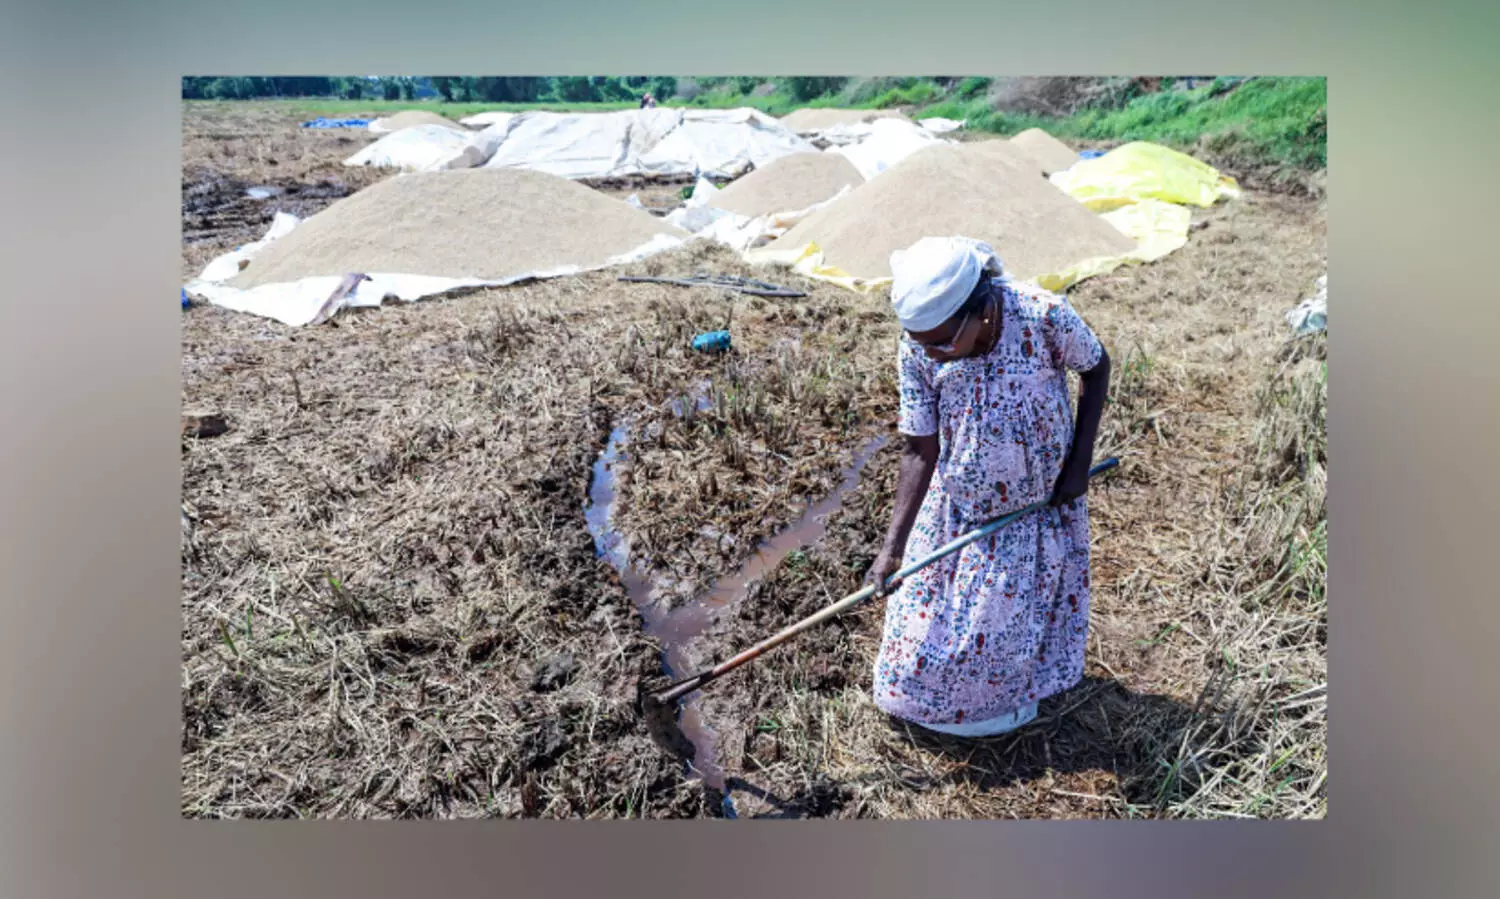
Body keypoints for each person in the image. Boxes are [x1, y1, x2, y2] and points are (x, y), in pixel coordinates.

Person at [864, 236, 1111, 737]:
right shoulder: (919, 348)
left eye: (942, 342)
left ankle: (1004, 705)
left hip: (1033, 509)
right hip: (958, 509)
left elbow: (1096, 366)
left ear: (981, 310)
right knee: (914, 648)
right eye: (921, 342)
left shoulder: (1043, 316)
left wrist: (1079, 462)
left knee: (1001, 638)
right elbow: (918, 448)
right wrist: (892, 550)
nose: (930, 353)